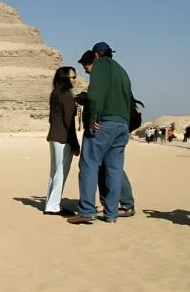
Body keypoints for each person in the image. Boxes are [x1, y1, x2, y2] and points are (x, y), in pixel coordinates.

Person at [69, 43, 136, 225]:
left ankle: (87, 211)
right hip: (122, 125)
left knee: (89, 165)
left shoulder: (100, 66)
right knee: (114, 169)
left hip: (103, 124)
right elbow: (131, 100)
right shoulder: (122, 71)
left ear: (96, 56)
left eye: (87, 69)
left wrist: (93, 118)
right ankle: (111, 214)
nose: (88, 72)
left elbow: (95, 94)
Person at [44, 67, 80, 215]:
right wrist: (75, 144)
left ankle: (50, 203)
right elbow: (69, 123)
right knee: (60, 172)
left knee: (54, 173)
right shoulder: (66, 96)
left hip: (54, 136)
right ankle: (53, 206)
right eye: (72, 77)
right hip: (63, 138)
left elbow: (52, 119)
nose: (75, 80)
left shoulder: (55, 93)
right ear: (65, 78)